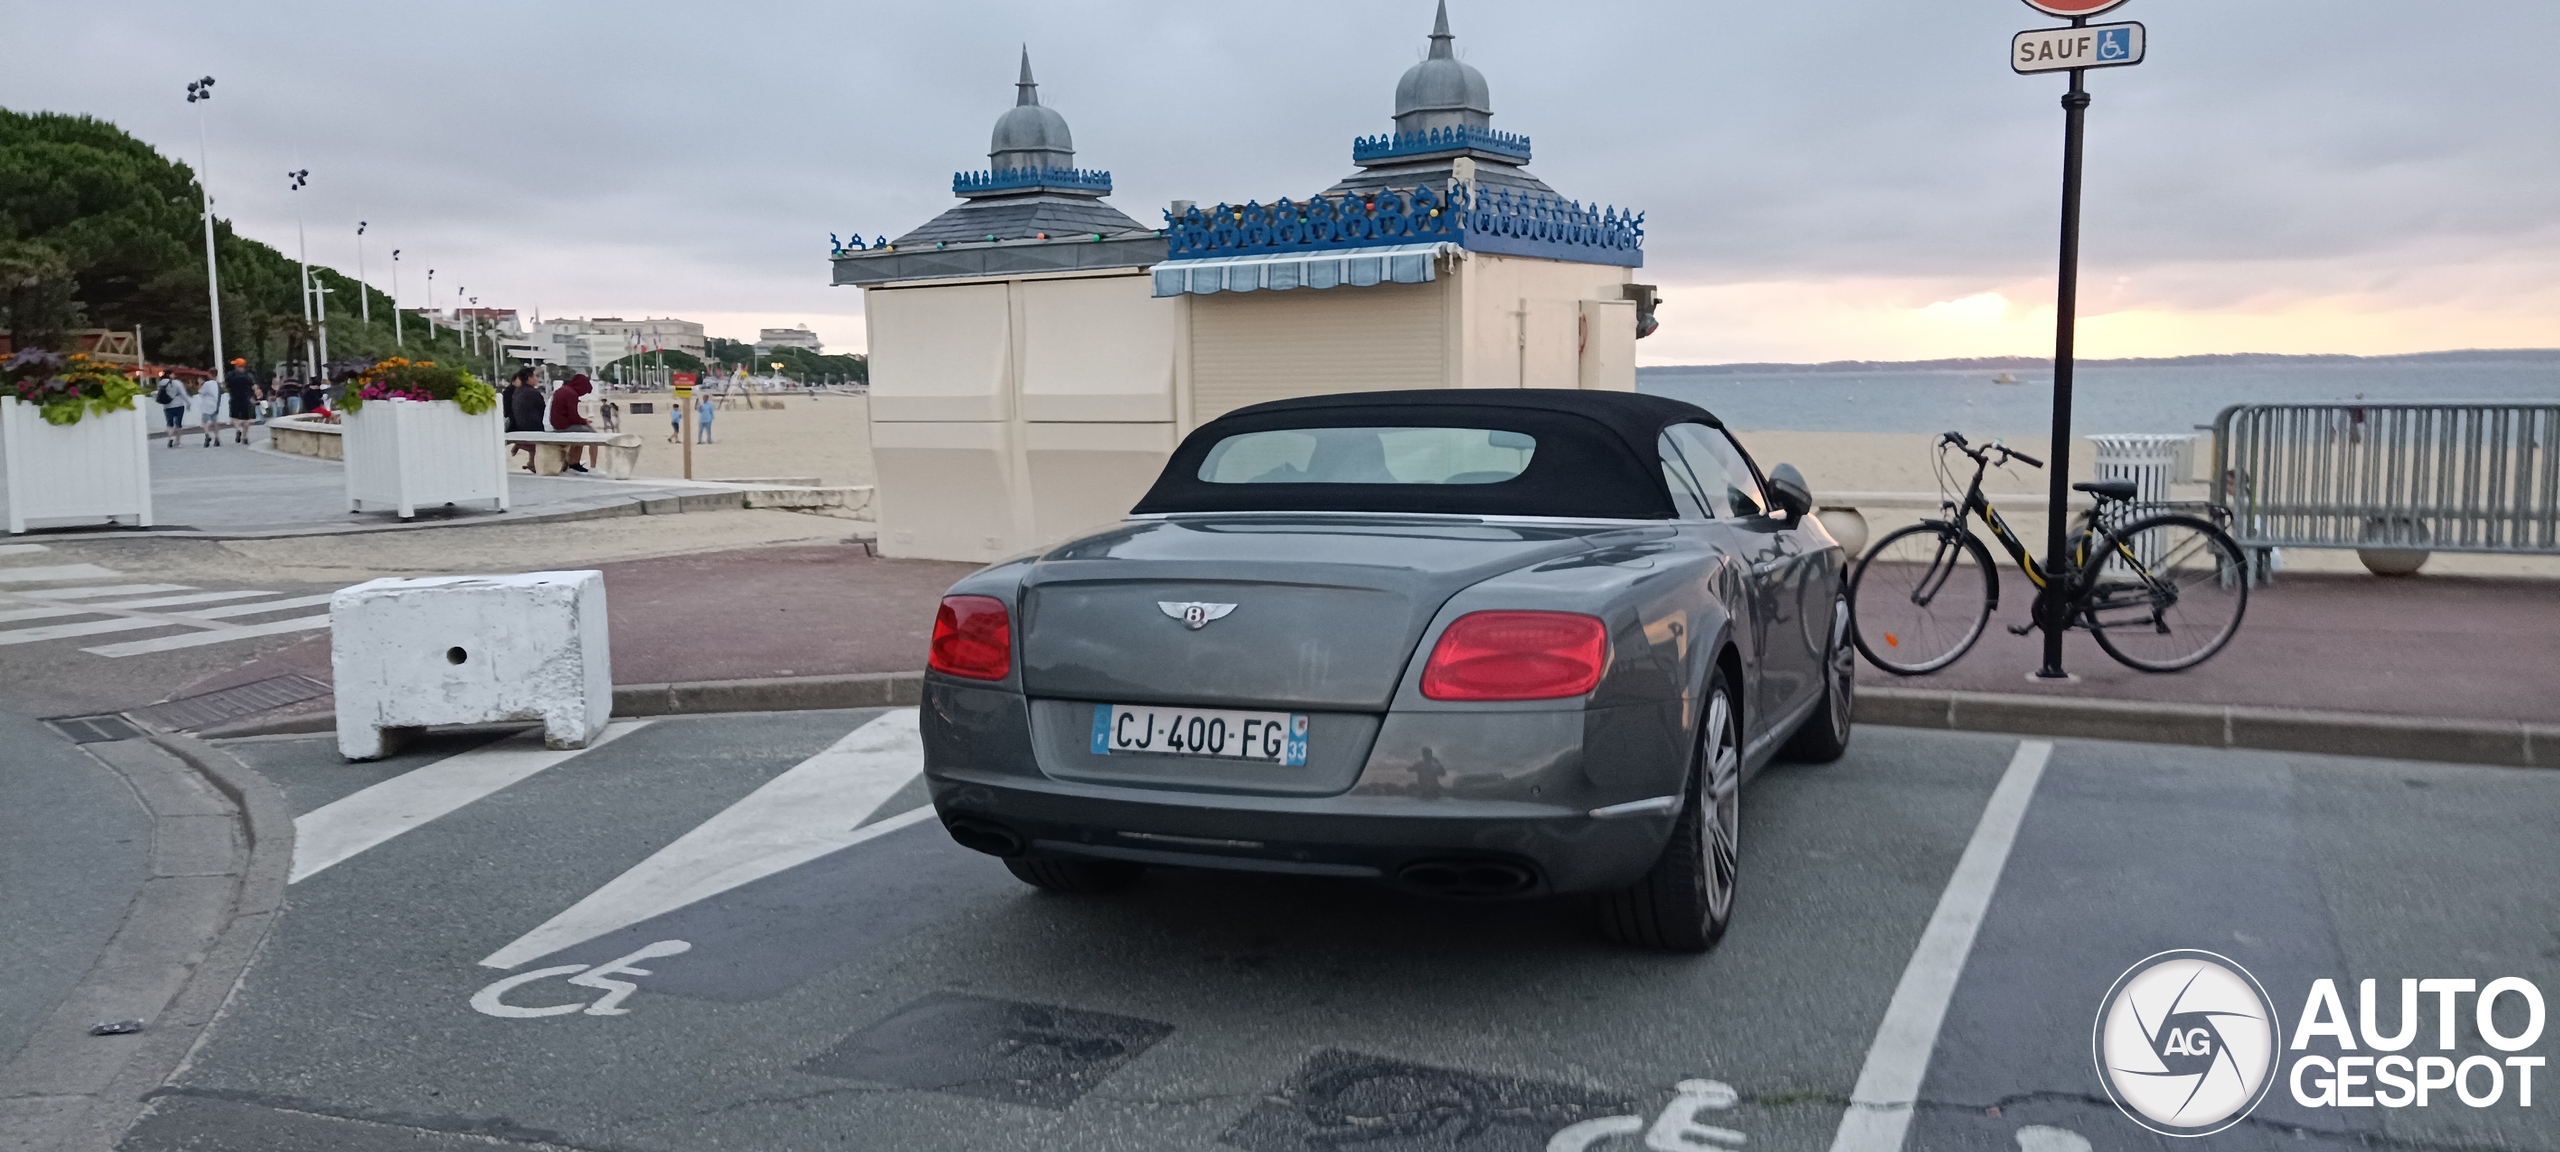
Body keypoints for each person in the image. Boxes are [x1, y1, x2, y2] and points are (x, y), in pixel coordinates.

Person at [547, 373, 598, 473]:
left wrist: (582, 422)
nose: (583, 394)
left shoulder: (562, 390)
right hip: (564, 426)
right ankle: (593, 467)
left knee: (581, 432)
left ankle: (574, 463)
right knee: (593, 435)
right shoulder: (571, 394)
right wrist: (584, 421)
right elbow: (573, 416)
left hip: (556, 424)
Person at [503, 367, 542, 471]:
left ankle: (531, 462)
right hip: (527, 426)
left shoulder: (517, 391)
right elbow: (542, 410)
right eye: (535, 376)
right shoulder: (533, 393)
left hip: (519, 424)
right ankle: (522, 446)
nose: (536, 378)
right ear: (529, 378)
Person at [223, 358, 257, 443]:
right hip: (245, 398)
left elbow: (226, 384)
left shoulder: (230, 375)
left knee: (234, 417)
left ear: (237, 366)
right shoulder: (248, 376)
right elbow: (253, 386)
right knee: (246, 419)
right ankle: (244, 437)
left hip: (234, 397)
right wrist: (253, 396)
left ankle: (238, 429)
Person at [154, 372, 188, 446]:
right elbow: (183, 393)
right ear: (169, 374)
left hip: (167, 406)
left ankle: (170, 438)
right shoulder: (176, 383)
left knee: (169, 423)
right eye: (172, 373)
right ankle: (177, 441)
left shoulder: (161, 383)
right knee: (178, 424)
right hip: (178, 405)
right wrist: (188, 402)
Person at [192, 374, 226, 446]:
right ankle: (217, 438)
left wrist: (200, 384)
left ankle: (207, 435)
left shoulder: (206, 384)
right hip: (215, 405)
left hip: (206, 406)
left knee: (205, 422)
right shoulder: (217, 384)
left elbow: (200, 392)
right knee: (214, 422)